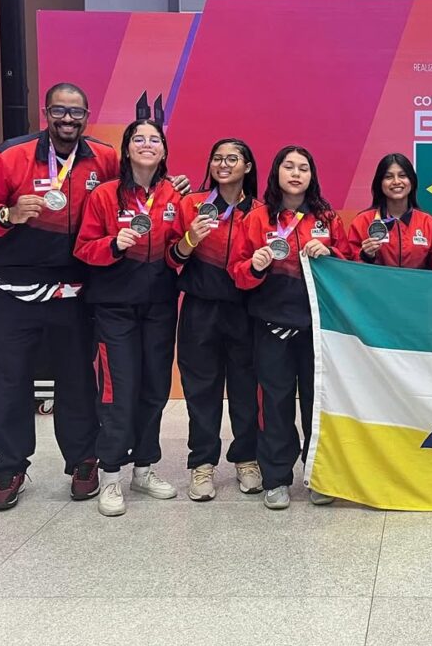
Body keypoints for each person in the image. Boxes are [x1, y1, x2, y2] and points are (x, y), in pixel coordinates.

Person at [0, 83, 118, 510]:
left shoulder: (105, 157)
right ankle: (9, 468)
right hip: (13, 287)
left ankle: (83, 461)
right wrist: (6, 215)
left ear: (87, 115)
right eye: (59, 111)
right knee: (9, 382)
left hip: (74, 288)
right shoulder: (10, 153)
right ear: (45, 112)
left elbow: (128, 198)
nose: (68, 119)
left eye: (76, 112)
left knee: (77, 381)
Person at [229, 146, 350, 510]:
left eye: (303, 168)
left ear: (312, 176)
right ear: (276, 173)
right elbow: (238, 273)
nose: (296, 174)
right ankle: (277, 477)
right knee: (276, 404)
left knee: (318, 404)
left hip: (317, 328)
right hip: (272, 327)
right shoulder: (257, 218)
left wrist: (331, 255)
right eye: (288, 166)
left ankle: (318, 475)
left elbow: (349, 268)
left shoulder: (327, 218)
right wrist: (257, 265)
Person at [74, 119, 182, 516]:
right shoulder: (105, 195)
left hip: (159, 307)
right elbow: (84, 249)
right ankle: (111, 476)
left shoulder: (174, 195)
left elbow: (177, 251)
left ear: (164, 151)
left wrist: (186, 247)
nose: (147, 144)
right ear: (127, 148)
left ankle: (144, 467)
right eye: (139, 138)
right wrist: (113, 244)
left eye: (155, 139)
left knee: (154, 389)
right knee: (118, 392)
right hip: (114, 308)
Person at [169, 139, 263, 501]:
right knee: (201, 390)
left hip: (244, 310)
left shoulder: (260, 211)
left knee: (244, 388)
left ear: (248, 166)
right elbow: (171, 256)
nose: (224, 164)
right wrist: (191, 239)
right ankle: (202, 464)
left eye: (233, 159)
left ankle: (246, 458)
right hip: (200, 309)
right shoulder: (192, 204)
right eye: (217, 158)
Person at [348, 153, 432, 268]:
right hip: (376, 285)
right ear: (380, 183)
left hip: (417, 285)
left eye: (403, 175)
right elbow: (348, 266)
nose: (396, 182)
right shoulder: (363, 221)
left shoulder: (428, 222)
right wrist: (366, 255)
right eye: (388, 177)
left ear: (412, 181)